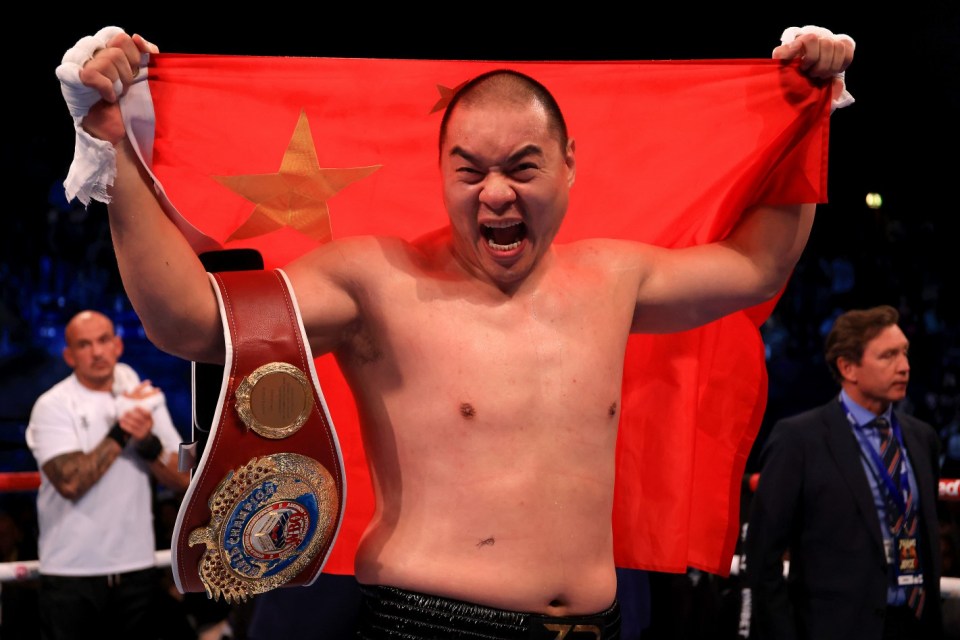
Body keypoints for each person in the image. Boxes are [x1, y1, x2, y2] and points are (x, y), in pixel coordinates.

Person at [58, 25, 854, 639]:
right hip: (426, 623)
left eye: (523, 167)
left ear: (571, 165)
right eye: (471, 171)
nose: (497, 194)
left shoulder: (617, 278)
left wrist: (810, 106)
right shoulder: (377, 281)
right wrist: (112, 146)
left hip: (596, 625)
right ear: (441, 175)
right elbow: (194, 321)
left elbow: (757, 267)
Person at [745, 305, 943, 639]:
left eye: (905, 353)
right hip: (832, 628)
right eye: (888, 356)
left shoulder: (922, 438)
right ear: (848, 367)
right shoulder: (799, 439)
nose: (905, 367)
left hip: (912, 625)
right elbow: (763, 556)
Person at [24, 310, 189, 640]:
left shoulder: (143, 395)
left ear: (118, 345)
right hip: (72, 573)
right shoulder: (53, 405)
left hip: (137, 569)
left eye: (103, 341)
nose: (96, 352)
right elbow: (70, 482)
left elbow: (184, 476)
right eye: (84, 345)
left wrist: (146, 442)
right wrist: (122, 431)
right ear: (70, 355)